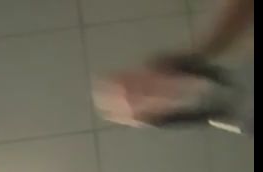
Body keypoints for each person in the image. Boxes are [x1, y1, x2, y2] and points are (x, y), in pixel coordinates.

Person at [93, 0, 254, 133]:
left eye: (133, 85)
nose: (145, 94)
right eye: (137, 102)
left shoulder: (215, 44)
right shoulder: (223, 116)